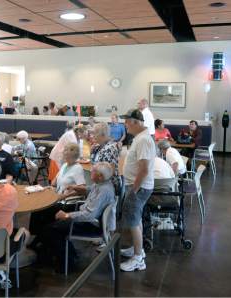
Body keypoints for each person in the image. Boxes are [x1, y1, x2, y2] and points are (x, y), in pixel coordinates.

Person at [37, 162, 116, 272]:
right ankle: (45, 248)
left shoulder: (104, 191)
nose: (90, 173)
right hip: (88, 216)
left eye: (93, 172)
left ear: (100, 176)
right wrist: (75, 187)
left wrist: (66, 215)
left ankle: (68, 262)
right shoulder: (103, 184)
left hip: (91, 224)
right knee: (49, 211)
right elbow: (89, 189)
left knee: (50, 229)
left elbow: (88, 215)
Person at [119, 109, 156, 272]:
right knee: (136, 219)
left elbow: (144, 170)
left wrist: (134, 189)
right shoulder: (139, 138)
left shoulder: (143, 140)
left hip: (138, 188)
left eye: (127, 121)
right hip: (136, 186)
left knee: (133, 222)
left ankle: (138, 258)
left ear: (135, 122)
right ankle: (137, 248)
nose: (125, 125)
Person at [90, 122, 120, 192]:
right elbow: (93, 165)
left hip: (107, 187)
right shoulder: (96, 147)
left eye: (95, 133)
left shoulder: (110, 148)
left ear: (103, 135)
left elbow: (110, 172)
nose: (92, 136)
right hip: (98, 184)